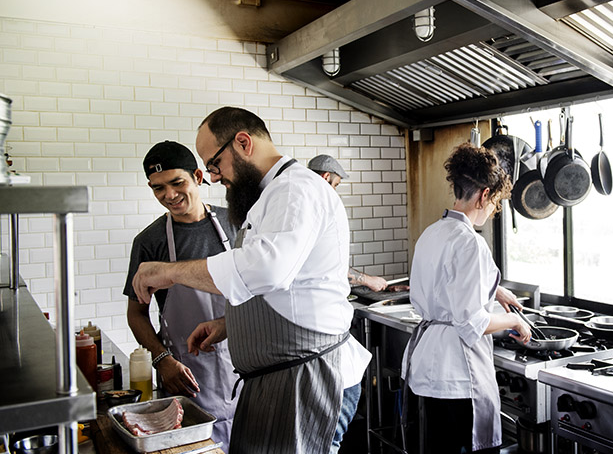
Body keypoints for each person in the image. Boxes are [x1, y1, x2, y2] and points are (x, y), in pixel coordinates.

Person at [131, 107, 371, 454]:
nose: (214, 177)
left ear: (243, 143)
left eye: (214, 164)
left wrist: (168, 271)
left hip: (308, 378)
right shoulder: (270, 196)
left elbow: (266, 270)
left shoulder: (295, 190)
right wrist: (230, 323)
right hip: (282, 379)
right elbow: (286, 290)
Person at [402, 142, 532, 454]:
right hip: (458, 375)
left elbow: (444, 285)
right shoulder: (471, 243)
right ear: (484, 195)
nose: (492, 210)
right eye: (495, 202)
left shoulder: (433, 232)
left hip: (428, 368)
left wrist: (493, 288)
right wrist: (514, 320)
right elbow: (472, 322)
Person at [124, 141, 238, 447]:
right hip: (187, 374)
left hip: (245, 365)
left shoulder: (237, 222)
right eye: (158, 188)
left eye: (177, 183)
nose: (169, 196)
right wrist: (162, 360)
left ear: (198, 177)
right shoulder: (150, 241)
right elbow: (136, 313)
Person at [307, 153, 395, 292]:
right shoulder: (318, 211)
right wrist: (369, 280)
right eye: (335, 185)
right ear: (326, 177)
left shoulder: (306, 205)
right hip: (317, 299)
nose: (334, 191)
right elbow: (330, 266)